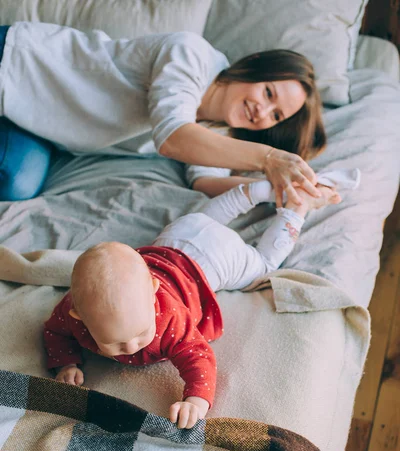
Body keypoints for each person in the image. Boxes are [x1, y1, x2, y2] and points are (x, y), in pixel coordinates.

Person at [43, 167, 360, 428]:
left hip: (215, 260)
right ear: (78, 317)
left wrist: (196, 398)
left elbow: (198, 357)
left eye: (140, 334)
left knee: (263, 265)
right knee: (209, 216)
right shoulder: (72, 310)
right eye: (113, 343)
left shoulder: (166, 318)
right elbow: (53, 331)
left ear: (154, 294)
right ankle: (257, 191)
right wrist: (65, 361)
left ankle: (296, 209)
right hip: (178, 234)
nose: (131, 348)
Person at [0, 22, 326, 203]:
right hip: (20, 65)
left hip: (42, 127)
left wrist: (278, 190)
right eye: (268, 93)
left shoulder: (217, 130)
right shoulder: (190, 53)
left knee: (19, 182)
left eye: (275, 115)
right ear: (254, 65)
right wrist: (269, 159)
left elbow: (206, 180)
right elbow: (173, 137)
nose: (262, 112)